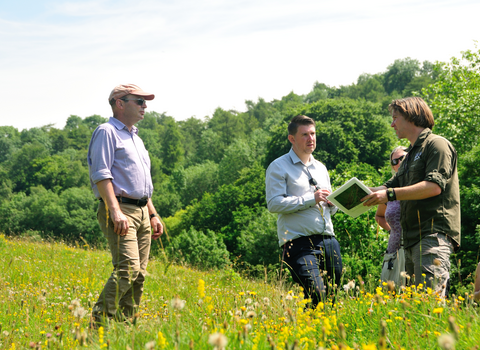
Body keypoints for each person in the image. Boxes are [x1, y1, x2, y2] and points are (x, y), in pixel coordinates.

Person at [362, 97, 460, 297]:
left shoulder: (437, 145)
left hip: (432, 236)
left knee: (430, 305)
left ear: (411, 116)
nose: (392, 124)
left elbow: (433, 187)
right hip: (410, 240)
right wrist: (357, 194)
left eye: (395, 118)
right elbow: (390, 186)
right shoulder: (410, 155)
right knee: (414, 311)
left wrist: (388, 195)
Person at [87, 84, 163, 325]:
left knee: (139, 275)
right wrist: (114, 210)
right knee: (127, 270)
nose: (145, 106)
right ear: (120, 103)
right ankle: (96, 327)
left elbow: (140, 181)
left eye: (145, 102)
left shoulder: (135, 138)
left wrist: (152, 214)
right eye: (139, 101)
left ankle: (125, 328)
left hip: (142, 211)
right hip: (121, 210)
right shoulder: (106, 131)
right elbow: (101, 174)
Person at [265, 115, 342, 308]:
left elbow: (327, 211)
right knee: (317, 293)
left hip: (328, 240)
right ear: (292, 138)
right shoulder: (278, 166)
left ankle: (319, 334)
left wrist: (333, 205)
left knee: (331, 298)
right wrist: (311, 199)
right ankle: (305, 333)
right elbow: (274, 204)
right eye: (305, 134)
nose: (311, 139)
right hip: (298, 243)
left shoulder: (321, 168)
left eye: (313, 134)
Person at [375, 146, 407, 287]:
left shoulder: (418, 185)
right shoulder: (388, 191)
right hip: (393, 249)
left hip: (413, 246)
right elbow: (379, 216)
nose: (399, 163)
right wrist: (392, 230)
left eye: (402, 158)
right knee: (390, 294)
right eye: (395, 162)